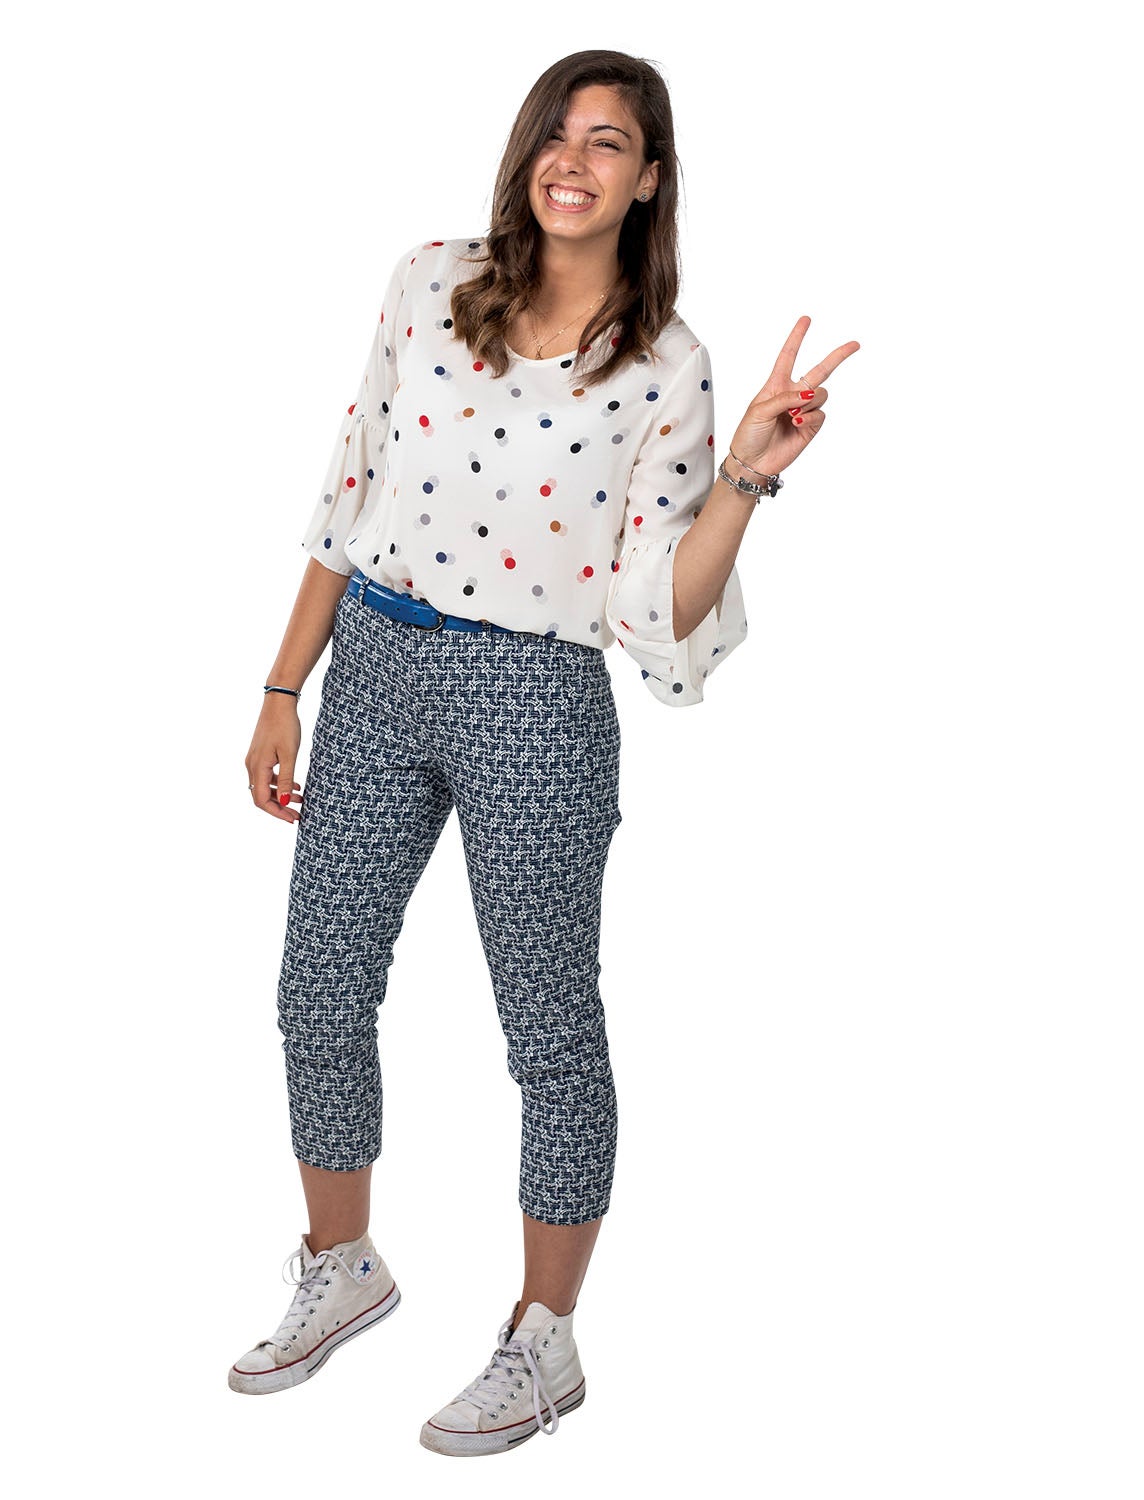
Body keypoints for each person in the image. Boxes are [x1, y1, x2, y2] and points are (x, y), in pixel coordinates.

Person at [233, 48, 859, 1457]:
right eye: (558, 135)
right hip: (377, 663)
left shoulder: (671, 368)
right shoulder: (430, 281)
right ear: (529, 155)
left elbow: (660, 609)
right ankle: (345, 1264)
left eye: (612, 141)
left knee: (550, 1035)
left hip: (535, 697)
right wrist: (286, 681)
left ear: (649, 179)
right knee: (317, 985)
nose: (575, 160)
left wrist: (748, 476)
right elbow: (352, 485)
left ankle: (544, 1341)